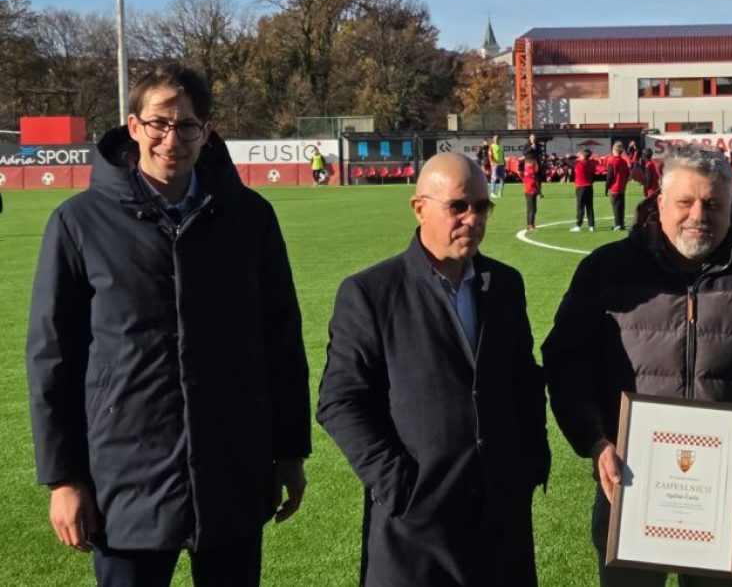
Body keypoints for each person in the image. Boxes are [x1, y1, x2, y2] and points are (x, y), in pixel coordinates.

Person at [27, 64, 310, 587]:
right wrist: (63, 478)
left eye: (186, 125)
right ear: (132, 126)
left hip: (232, 470)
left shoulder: (250, 218)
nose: (171, 139)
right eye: (158, 123)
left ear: (207, 130)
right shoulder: (78, 223)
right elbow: (53, 357)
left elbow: (281, 339)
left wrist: (291, 450)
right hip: (124, 478)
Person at [543, 145, 732, 587]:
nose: (698, 215)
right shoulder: (606, 270)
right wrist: (594, 442)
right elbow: (566, 364)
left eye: (713, 204)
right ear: (659, 201)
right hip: (627, 484)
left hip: (725, 491)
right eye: (685, 202)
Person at [317, 153, 550, 587]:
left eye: (482, 207)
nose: (472, 218)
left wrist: (529, 461)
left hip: (500, 519)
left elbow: (524, 378)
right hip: (415, 528)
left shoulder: (505, 285)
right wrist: (398, 485)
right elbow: (340, 401)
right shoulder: (370, 293)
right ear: (419, 206)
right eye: (458, 206)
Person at [606, 142, 630, 231]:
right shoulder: (623, 161)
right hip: (622, 187)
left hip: (614, 187)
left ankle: (617, 224)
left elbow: (609, 176)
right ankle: (621, 223)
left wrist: (607, 186)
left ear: (614, 150)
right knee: (621, 206)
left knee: (616, 206)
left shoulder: (612, 161)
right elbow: (627, 174)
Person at [571, 148, 596, 232]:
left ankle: (578, 225)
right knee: (589, 207)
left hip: (581, 187)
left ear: (582, 156)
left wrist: (576, 155)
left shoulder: (578, 163)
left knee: (580, 206)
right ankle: (591, 225)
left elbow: (567, 159)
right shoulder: (591, 163)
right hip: (589, 186)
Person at [522, 149, 542, 231]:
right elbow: (532, 181)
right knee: (531, 208)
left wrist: (539, 191)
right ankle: (529, 225)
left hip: (532, 191)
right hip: (529, 191)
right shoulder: (529, 171)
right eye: (533, 161)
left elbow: (535, 181)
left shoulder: (531, 171)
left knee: (533, 208)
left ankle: (532, 224)